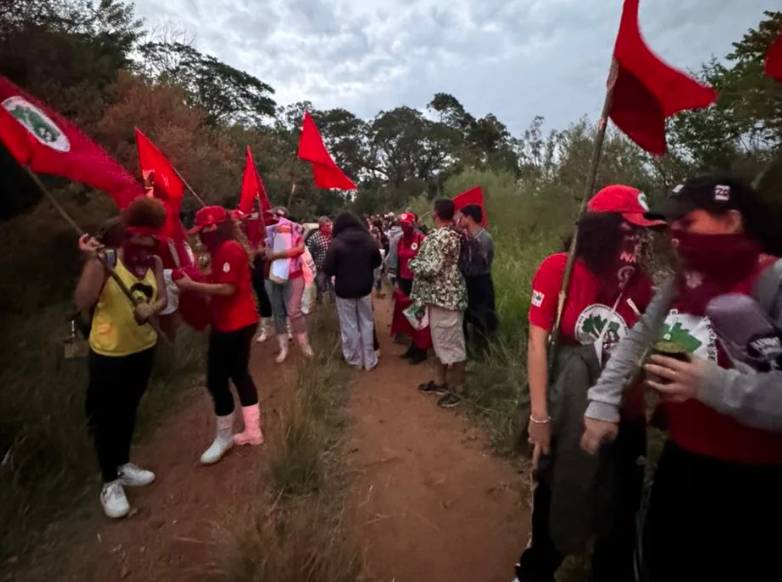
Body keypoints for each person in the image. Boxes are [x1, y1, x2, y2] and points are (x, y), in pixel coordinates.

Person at [580, 175, 782, 582]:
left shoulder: (773, 282)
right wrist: (603, 400)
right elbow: (638, 338)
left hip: (756, 480)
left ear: (731, 221)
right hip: (682, 461)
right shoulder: (683, 282)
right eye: (671, 224)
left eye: (686, 222)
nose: (674, 233)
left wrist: (711, 385)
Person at [515, 184, 664, 582]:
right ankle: (535, 570)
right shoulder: (559, 270)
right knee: (557, 494)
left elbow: (665, 343)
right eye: (628, 230)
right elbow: (536, 342)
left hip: (624, 416)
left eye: (642, 232)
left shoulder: (644, 287)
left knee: (619, 512)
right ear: (601, 230)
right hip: (569, 411)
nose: (637, 240)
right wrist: (540, 417)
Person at [74, 197, 168, 519]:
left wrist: (151, 309)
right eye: (140, 237)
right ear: (128, 234)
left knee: (129, 410)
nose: (146, 243)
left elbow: (164, 298)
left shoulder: (154, 262)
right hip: (109, 354)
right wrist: (92, 262)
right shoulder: (108, 260)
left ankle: (123, 463)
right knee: (106, 418)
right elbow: (82, 300)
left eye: (151, 238)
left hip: (143, 349)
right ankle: (109, 482)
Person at [176, 206, 263, 466]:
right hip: (239, 321)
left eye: (202, 230)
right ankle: (253, 431)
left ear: (214, 227)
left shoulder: (228, 249)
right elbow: (220, 279)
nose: (200, 235)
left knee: (217, 380)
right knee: (239, 374)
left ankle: (224, 437)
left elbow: (226, 288)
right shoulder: (225, 248)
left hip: (232, 325)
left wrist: (192, 285)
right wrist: (196, 277)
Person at [410, 199, 468, 409]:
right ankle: (443, 382)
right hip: (448, 295)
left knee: (450, 341)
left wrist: (413, 263)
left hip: (444, 297)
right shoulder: (455, 234)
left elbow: (432, 268)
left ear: (435, 213)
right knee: (444, 339)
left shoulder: (439, 237)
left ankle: (457, 389)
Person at [323, 212, 383, 371]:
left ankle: (354, 360)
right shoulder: (369, 239)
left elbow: (328, 268)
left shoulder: (336, 243)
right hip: (365, 288)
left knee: (349, 325)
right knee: (367, 322)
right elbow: (377, 261)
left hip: (344, 289)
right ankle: (370, 360)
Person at [265, 207, 313, 363]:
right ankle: (283, 347)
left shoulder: (295, 229)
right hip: (275, 276)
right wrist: (271, 251)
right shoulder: (270, 231)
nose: (277, 218)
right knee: (278, 312)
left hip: (294, 275)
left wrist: (279, 254)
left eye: (279, 215)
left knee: (294, 311)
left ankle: (305, 346)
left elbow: (299, 249)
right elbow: (267, 253)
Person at [390, 212, 430, 365]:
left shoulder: (421, 239)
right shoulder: (400, 240)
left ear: (413, 224)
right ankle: (413, 346)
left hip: (418, 283)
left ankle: (421, 350)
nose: (404, 227)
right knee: (409, 317)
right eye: (402, 224)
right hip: (404, 282)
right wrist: (397, 282)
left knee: (419, 318)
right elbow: (399, 262)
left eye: (407, 224)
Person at [458, 204, 498, 354]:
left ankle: (484, 351)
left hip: (480, 282)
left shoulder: (484, 238)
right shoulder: (466, 236)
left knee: (482, 318)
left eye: (461, 216)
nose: (459, 220)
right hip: (469, 282)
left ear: (469, 218)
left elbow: (479, 265)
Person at [306, 216, 334, 304]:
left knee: (333, 285)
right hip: (320, 267)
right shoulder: (314, 238)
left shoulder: (334, 235)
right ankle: (319, 301)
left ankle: (333, 302)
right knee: (320, 284)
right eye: (327, 226)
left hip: (333, 266)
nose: (329, 227)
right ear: (321, 226)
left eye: (330, 225)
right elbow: (310, 253)